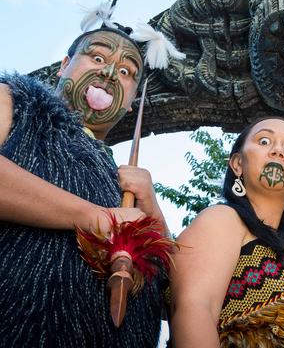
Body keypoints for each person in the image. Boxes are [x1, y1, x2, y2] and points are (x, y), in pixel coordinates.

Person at [0, 25, 166, 346]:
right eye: (97, 56)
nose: (109, 74)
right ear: (64, 66)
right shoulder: (16, 101)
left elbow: (176, 297)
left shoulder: (127, 188)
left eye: (126, 71)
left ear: (132, 101)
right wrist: (97, 217)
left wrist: (153, 208)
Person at [169, 117, 284, 348]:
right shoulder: (222, 219)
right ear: (237, 164)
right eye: (264, 141)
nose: (278, 151)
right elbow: (193, 309)